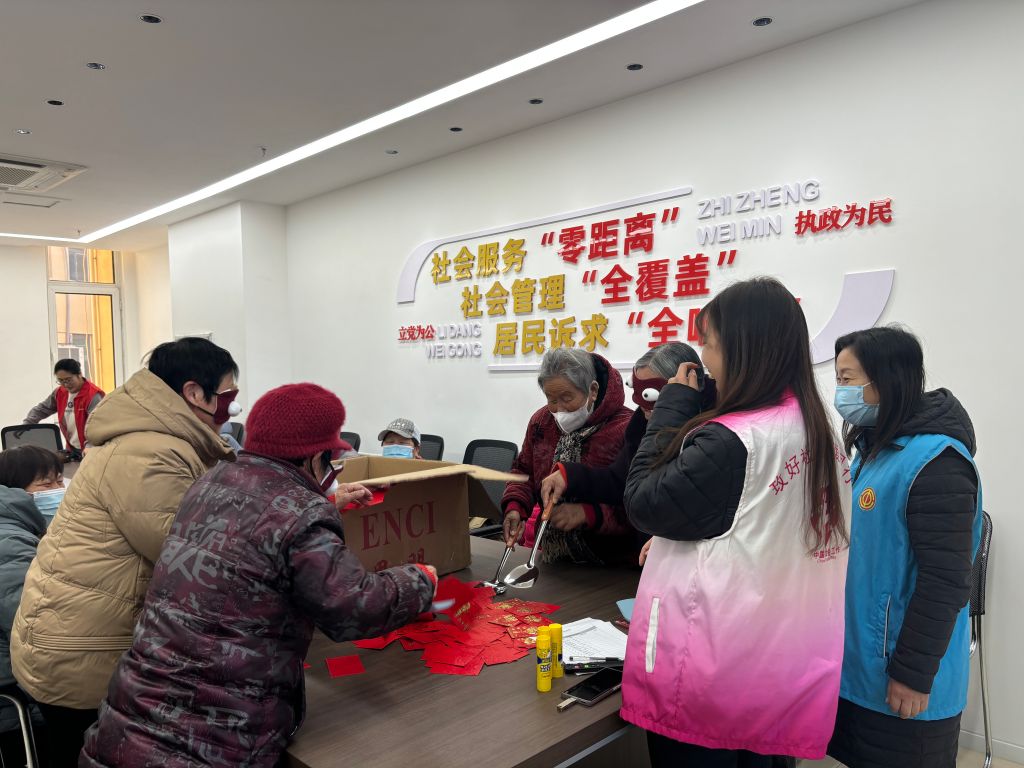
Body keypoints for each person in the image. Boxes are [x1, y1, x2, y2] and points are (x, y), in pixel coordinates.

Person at [80, 383, 438, 768]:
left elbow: (254, 525)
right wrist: (420, 579)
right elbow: (353, 605)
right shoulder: (302, 512)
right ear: (314, 457)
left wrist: (326, 503)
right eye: (331, 459)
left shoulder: (210, 483)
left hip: (125, 724)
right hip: (214, 743)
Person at [621, 277, 851, 767]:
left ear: (741, 348)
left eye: (709, 343)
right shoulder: (817, 426)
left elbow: (641, 501)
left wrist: (671, 409)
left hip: (712, 669)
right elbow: (759, 521)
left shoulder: (732, 441)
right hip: (776, 662)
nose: (704, 359)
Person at [11, 337, 238, 768]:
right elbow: (192, 560)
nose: (232, 407)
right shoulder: (151, 453)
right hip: (81, 652)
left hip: (70, 636)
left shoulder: (152, 439)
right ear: (195, 393)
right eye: (228, 395)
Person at [827, 327, 982, 768]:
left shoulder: (937, 462)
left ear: (887, 379)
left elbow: (946, 580)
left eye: (848, 379)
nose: (841, 392)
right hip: (864, 665)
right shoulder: (874, 450)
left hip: (905, 673)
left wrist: (913, 673)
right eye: (838, 379)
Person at [538, 342, 707, 561]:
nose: (643, 406)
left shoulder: (707, 433)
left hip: (689, 555)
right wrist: (569, 476)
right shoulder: (641, 423)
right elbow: (621, 480)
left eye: (649, 396)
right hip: (646, 557)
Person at [501, 347, 632, 565]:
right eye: (551, 399)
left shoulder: (625, 428)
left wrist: (588, 513)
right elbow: (523, 471)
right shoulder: (541, 422)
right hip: (554, 558)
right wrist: (515, 506)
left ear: (592, 390)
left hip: (613, 563)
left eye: (566, 398)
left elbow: (637, 502)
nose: (558, 409)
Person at [0, 446, 64, 767]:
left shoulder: (21, 529)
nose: (58, 490)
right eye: (45, 484)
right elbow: (38, 623)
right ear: (13, 490)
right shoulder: (8, 543)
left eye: (59, 480)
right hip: (21, 708)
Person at [22, 358, 105, 461]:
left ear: (79, 374)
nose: (65, 384)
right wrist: (27, 423)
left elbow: (97, 426)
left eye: (68, 380)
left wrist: (90, 446)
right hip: (72, 450)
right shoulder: (60, 392)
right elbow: (42, 409)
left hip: (91, 450)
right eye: (61, 381)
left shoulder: (93, 396)